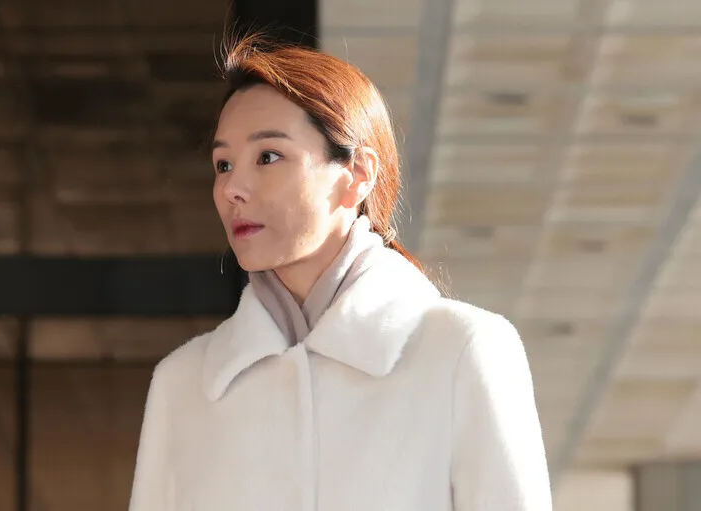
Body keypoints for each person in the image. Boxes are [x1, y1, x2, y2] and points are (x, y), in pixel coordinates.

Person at [128, 33, 552, 511]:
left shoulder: (462, 350)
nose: (232, 188)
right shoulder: (183, 385)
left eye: (268, 156)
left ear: (358, 175)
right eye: (223, 164)